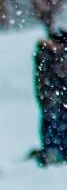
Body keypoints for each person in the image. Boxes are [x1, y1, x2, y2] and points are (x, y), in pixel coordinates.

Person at [35, 27, 67, 166]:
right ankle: (53, 154)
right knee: (54, 123)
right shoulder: (47, 55)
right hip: (54, 103)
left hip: (56, 102)